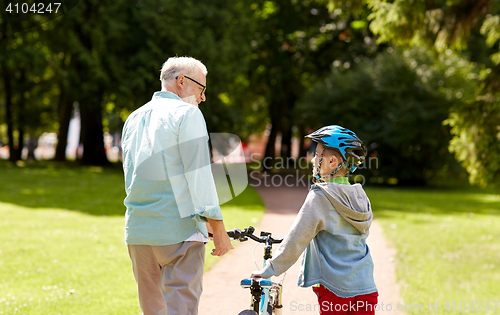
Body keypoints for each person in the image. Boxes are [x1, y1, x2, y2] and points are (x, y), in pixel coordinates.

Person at [121, 56, 234, 315]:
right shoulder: (187, 113)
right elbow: (199, 175)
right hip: (179, 234)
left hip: (138, 232)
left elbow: (132, 176)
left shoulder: (134, 118)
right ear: (181, 81)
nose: (203, 97)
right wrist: (218, 228)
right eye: (201, 88)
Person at [251, 125, 378, 315]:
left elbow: (298, 238)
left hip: (335, 289)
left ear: (332, 161)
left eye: (317, 154)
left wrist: (270, 269)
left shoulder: (321, 196)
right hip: (366, 286)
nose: (312, 159)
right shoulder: (360, 195)